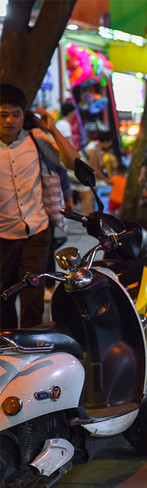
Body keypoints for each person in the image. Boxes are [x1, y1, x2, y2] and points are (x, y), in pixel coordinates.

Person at [0, 83, 80, 328]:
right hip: (3, 234)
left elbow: (73, 161)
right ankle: (9, 347)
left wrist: (52, 128)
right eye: (3, 114)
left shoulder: (36, 139)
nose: (10, 121)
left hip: (37, 229)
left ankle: (32, 349)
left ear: (24, 116)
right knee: (3, 297)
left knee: (32, 294)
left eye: (16, 114)